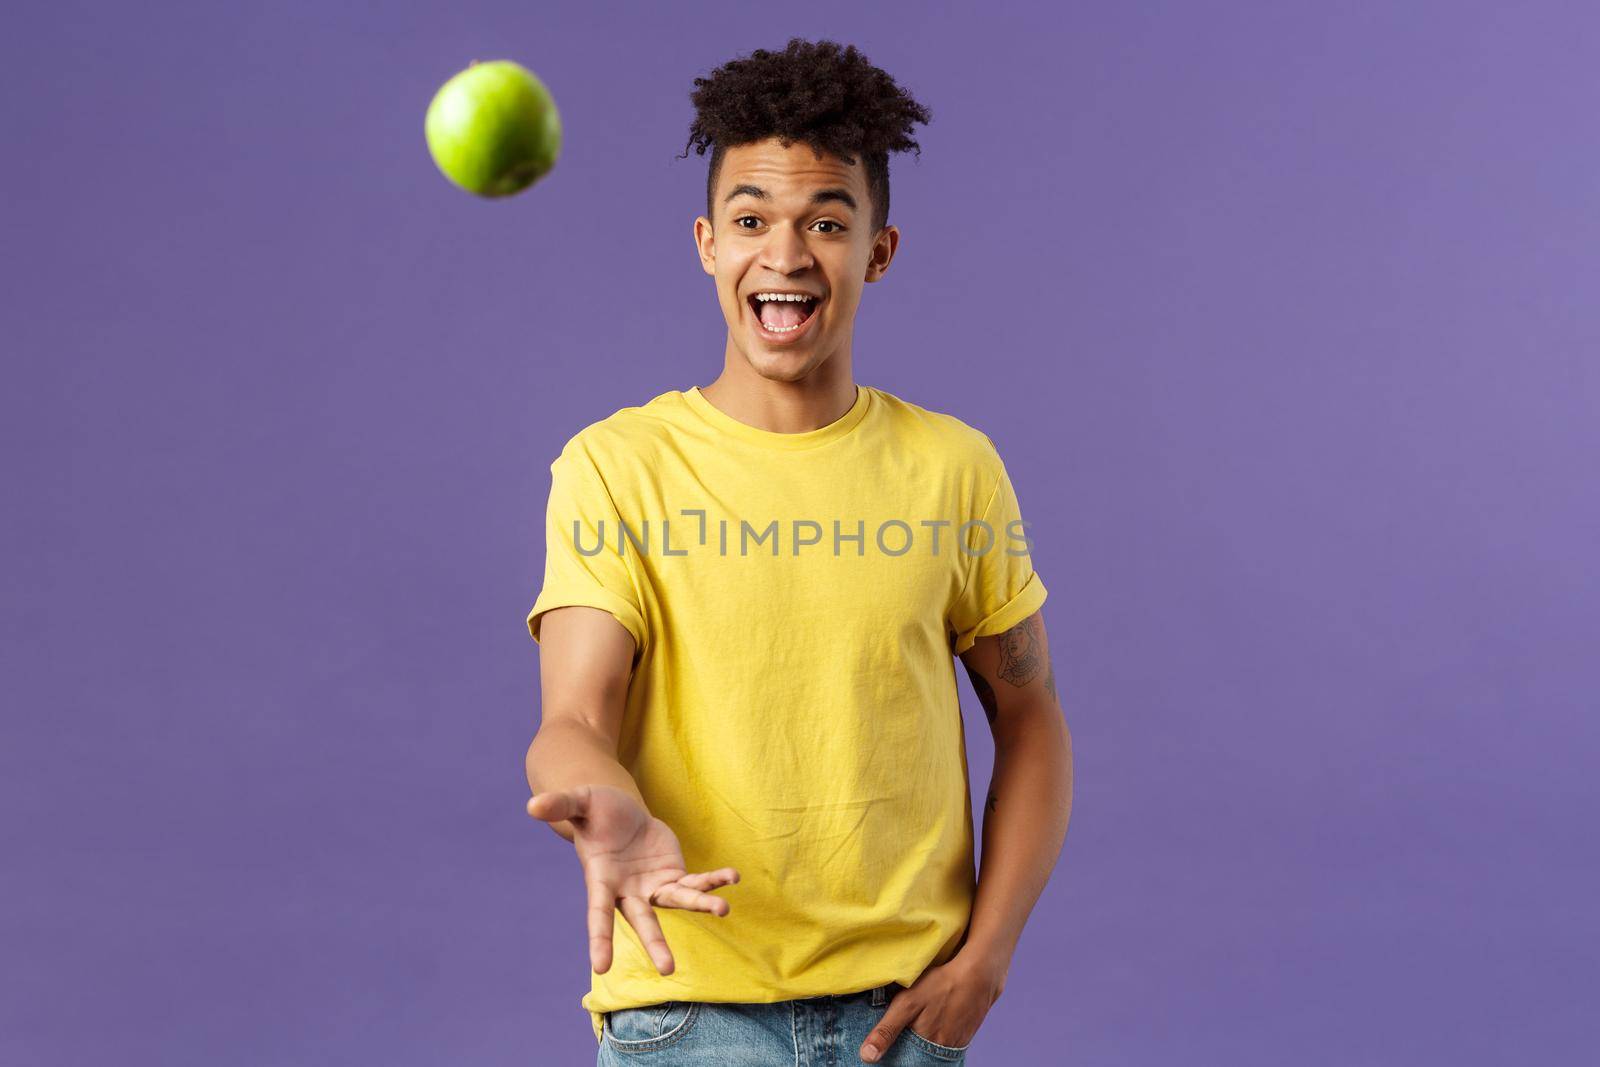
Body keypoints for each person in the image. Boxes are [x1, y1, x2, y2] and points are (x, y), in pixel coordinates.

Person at [523, 37, 1074, 1065]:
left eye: (826, 221)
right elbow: (572, 717)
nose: (784, 254)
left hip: (900, 1020)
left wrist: (987, 955)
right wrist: (604, 802)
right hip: (687, 1017)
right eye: (750, 221)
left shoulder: (953, 467)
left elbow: (1032, 717)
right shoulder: (615, 466)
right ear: (705, 242)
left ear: (879, 248)